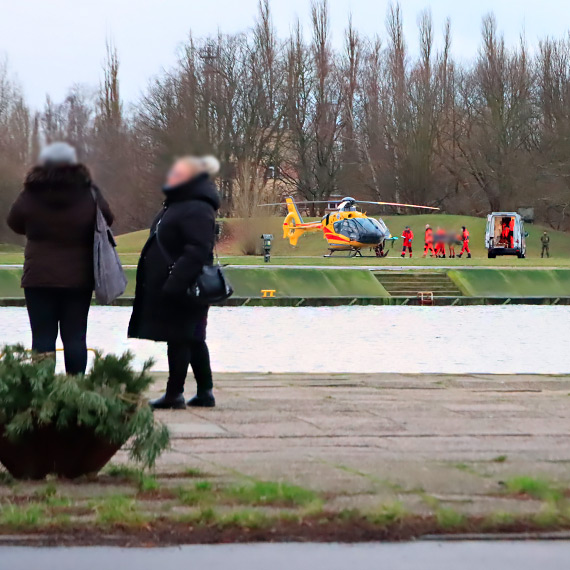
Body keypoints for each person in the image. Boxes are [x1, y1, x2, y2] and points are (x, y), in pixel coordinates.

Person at [6, 142, 114, 375]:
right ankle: (75, 391)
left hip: (39, 276)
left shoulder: (31, 192)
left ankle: (43, 392)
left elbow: (13, 222)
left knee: (42, 337)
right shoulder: (89, 192)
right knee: (75, 336)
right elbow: (108, 219)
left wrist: (36, 232)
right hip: (79, 277)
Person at [128, 155, 221, 410]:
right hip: (176, 283)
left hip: (186, 285)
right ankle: (205, 392)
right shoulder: (178, 205)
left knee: (180, 337)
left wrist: (174, 282)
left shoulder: (196, 207)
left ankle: (174, 393)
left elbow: (197, 249)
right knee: (192, 337)